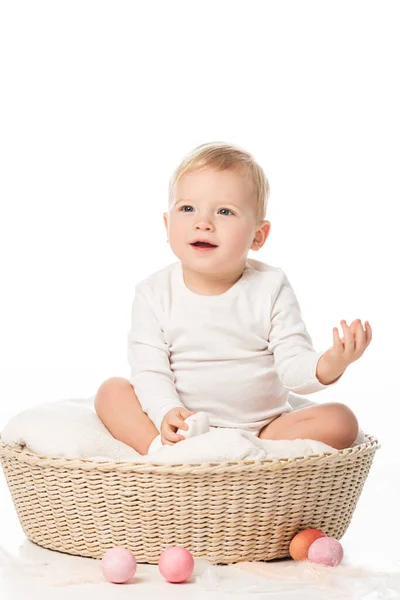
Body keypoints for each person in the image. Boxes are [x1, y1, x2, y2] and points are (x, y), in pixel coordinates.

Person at [94, 141, 372, 456]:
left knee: (340, 421)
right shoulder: (154, 293)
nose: (203, 222)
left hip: (261, 427)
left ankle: (244, 450)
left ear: (258, 236)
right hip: (183, 425)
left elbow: (293, 366)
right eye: (187, 208)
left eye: (225, 211)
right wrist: (165, 413)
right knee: (111, 392)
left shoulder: (270, 287)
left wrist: (333, 361)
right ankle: (163, 451)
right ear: (167, 224)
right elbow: (149, 370)